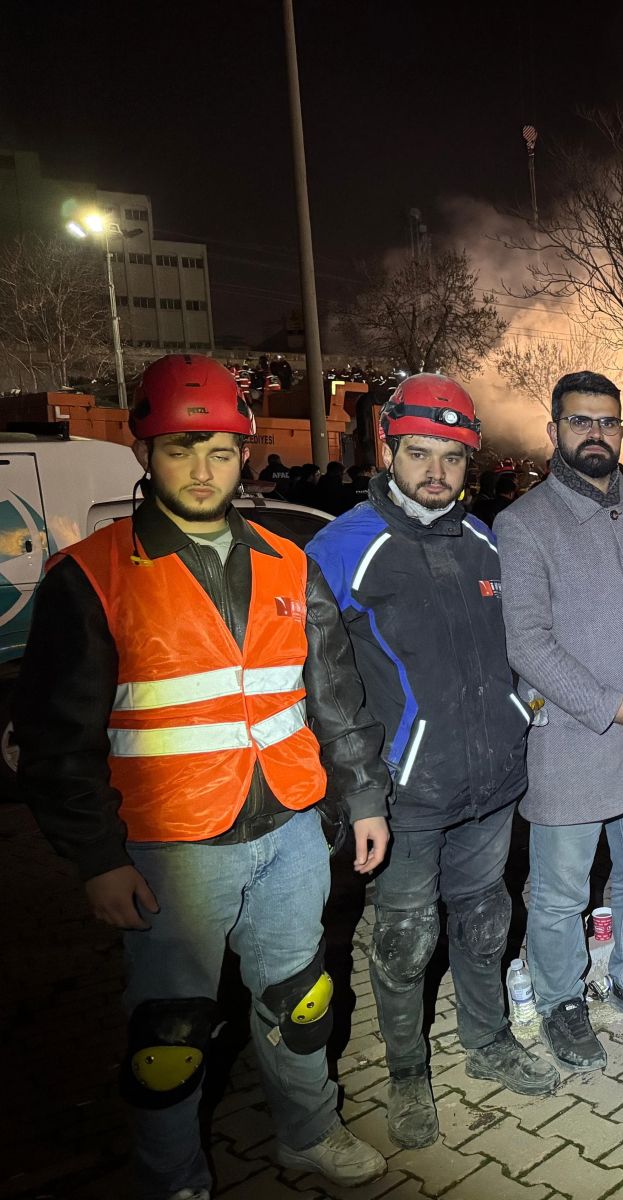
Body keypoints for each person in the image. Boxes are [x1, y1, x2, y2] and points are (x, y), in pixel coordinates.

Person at [17, 354, 392, 1197]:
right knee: (171, 1032)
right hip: (171, 851)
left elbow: (333, 697)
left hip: (291, 831)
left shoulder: (289, 564)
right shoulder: (92, 575)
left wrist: (364, 797)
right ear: (145, 452)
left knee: (301, 999)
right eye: (181, 449)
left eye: (220, 451)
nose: (201, 469)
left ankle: (309, 1133)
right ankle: (173, 1177)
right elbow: (54, 744)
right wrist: (97, 859)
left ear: (242, 455)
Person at [306, 374, 558, 1150]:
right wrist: (359, 796)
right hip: (403, 796)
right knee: (404, 941)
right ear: (387, 449)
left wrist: (524, 713)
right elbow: (323, 689)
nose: (437, 472)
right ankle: (408, 1074)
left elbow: (524, 645)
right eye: (420, 453)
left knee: (484, 921)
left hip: (490, 785)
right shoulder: (340, 550)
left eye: (452, 457)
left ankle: (488, 1041)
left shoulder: (485, 541)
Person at [497, 371, 623, 1072]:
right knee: (561, 892)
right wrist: (607, 705)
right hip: (574, 738)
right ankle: (561, 1000)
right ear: (554, 430)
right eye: (581, 421)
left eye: (608, 422)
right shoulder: (524, 523)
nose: (596, 433)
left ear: (621, 431)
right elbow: (527, 642)